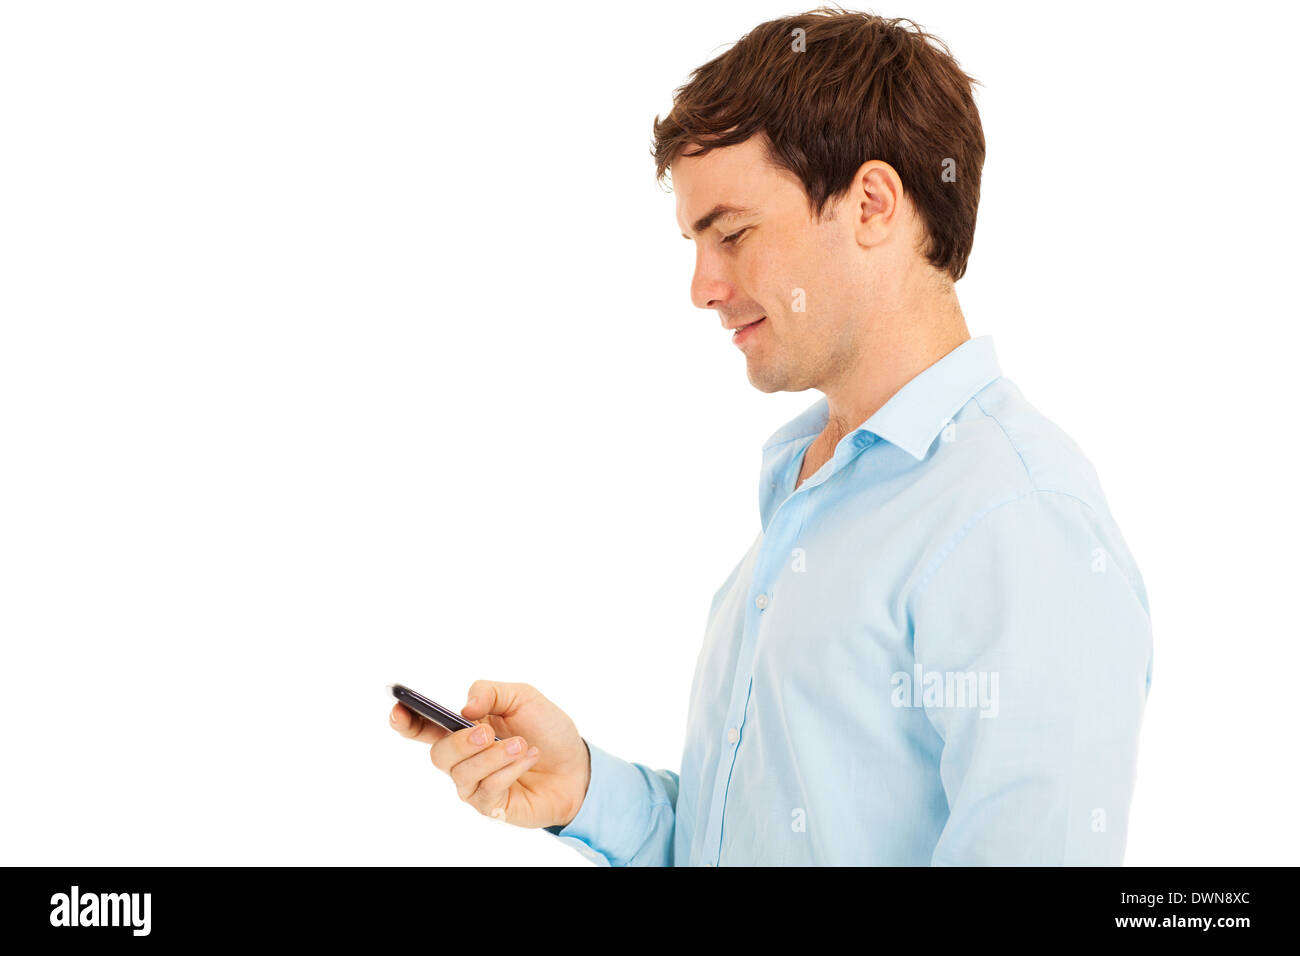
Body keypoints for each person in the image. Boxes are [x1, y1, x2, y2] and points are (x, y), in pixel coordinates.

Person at [389, 8, 1153, 866]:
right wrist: (586, 790)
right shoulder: (808, 484)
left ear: (871, 204)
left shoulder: (1016, 516)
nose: (702, 286)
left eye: (734, 232)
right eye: (694, 241)